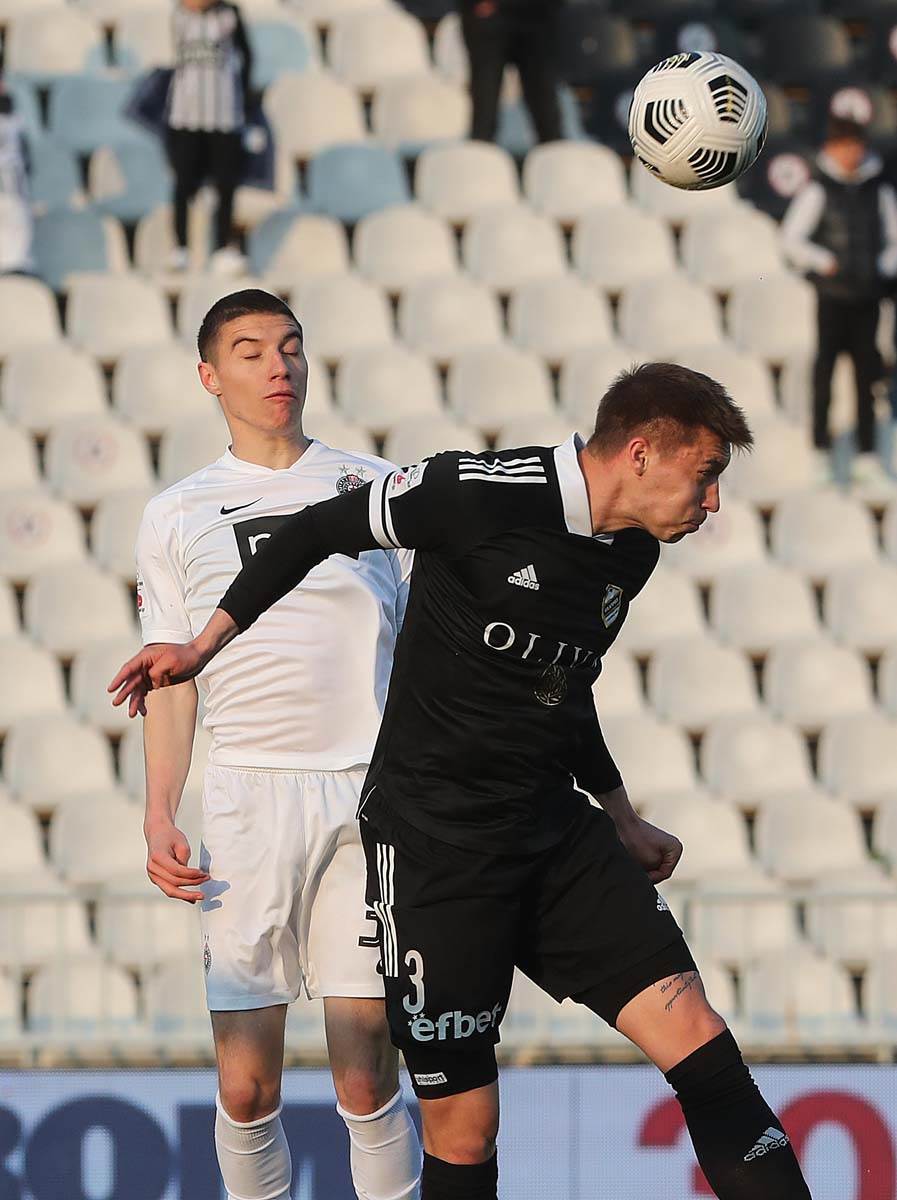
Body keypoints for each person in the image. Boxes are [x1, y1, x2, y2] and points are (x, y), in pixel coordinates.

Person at [110, 363, 813, 1200]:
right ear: (639, 454)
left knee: (701, 1042)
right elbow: (313, 529)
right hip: (434, 851)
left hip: (552, 836)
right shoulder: (473, 492)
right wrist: (202, 646)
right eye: (704, 475)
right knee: (464, 1132)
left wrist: (619, 814)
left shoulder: (630, 553)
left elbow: (561, 683)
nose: (713, 503)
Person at [126, 289, 420, 1200]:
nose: (277, 365)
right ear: (209, 376)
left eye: (290, 346)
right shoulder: (177, 512)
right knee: (246, 1089)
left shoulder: (377, 491)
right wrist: (159, 811)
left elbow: (424, 649)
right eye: (250, 351)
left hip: (368, 800)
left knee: (365, 1076)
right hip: (248, 805)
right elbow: (171, 678)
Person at [782, 115, 897, 487]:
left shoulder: (879, 191)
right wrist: (824, 261)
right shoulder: (818, 190)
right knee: (825, 373)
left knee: (867, 377)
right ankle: (821, 450)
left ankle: (867, 455)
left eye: (855, 146)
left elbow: (894, 240)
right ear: (830, 149)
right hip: (832, 298)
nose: (850, 154)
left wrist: (879, 268)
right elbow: (792, 238)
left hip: (868, 299)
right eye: (843, 146)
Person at [165, 0, 252, 275]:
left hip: (223, 115)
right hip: (185, 115)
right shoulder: (179, 14)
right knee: (183, 182)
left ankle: (222, 247)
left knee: (225, 184)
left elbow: (247, 57)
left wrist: (244, 101)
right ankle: (181, 247)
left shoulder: (230, 15)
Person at [459, 0, 562, 144]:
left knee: (546, 109)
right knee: (484, 111)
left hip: (538, 16)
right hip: (488, 19)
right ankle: (480, 154)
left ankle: (554, 154)